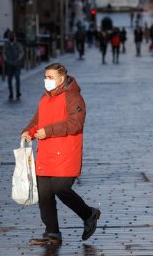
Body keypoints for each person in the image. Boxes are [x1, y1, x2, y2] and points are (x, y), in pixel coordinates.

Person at [21, 63, 101, 245]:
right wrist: (28, 132)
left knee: (61, 189)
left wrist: (48, 131)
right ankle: (52, 233)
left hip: (65, 153)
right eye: (45, 77)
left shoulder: (74, 98)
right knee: (45, 194)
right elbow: (37, 121)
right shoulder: (45, 99)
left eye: (50, 77)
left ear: (61, 79)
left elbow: (75, 124)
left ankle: (89, 214)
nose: (46, 81)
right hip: (46, 153)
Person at [5, 32, 25, 99]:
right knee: (9, 79)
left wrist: (18, 58)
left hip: (17, 64)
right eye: (10, 36)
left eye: (12, 36)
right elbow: (4, 53)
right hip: (9, 64)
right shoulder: (6, 44)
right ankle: (11, 93)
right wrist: (6, 59)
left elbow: (21, 52)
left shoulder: (18, 44)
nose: (11, 38)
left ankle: (18, 93)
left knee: (17, 79)